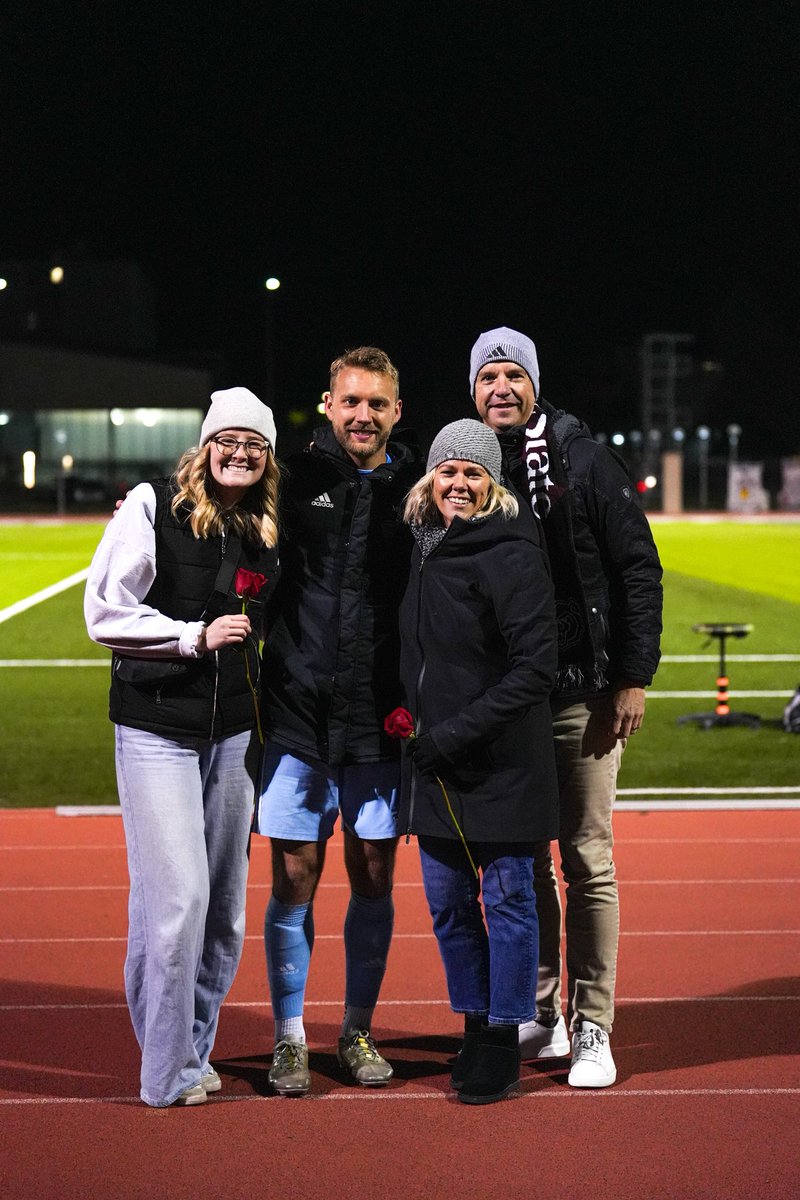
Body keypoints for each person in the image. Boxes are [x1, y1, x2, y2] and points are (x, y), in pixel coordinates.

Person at [469, 327, 663, 1087]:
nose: (502, 389)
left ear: (534, 384)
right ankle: (542, 1010)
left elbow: (637, 567)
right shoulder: (469, 465)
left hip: (583, 691)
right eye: (489, 378)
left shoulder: (582, 458)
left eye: (514, 375)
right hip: (509, 699)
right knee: (524, 863)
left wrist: (632, 676)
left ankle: (593, 1027)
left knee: (585, 858)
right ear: (474, 392)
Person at [84, 387, 280, 1107]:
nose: (240, 454)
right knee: (177, 902)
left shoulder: (266, 523)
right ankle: (165, 1072)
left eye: (254, 445)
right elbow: (105, 612)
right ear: (206, 445)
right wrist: (192, 637)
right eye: (228, 440)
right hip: (156, 728)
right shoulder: (150, 504)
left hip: (234, 734)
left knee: (223, 910)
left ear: (267, 458)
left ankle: (192, 1052)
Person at [253, 346, 421, 1095]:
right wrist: (153, 503)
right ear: (328, 405)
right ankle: (290, 1037)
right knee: (295, 872)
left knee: (375, 871)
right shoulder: (288, 479)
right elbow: (216, 509)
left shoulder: (418, 489)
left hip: (381, 716)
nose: (363, 415)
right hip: (297, 709)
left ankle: (356, 1029)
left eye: (376, 404)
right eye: (350, 401)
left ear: (396, 412)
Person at [396, 418, 559, 1104]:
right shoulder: (422, 544)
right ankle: (472, 1024)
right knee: (448, 906)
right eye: (448, 470)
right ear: (430, 477)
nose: (458, 483)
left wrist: (454, 733)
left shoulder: (512, 551)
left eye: (473, 472)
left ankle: (502, 1037)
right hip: (437, 762)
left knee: (509, 902)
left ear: (493, 484)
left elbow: (535, 669)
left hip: (500, 763)